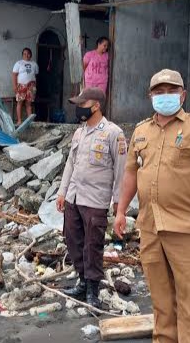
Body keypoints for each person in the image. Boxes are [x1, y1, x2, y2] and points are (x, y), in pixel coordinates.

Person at [113, 69, 190, 343]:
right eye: (159, 92)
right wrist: (121, 211)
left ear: (183, 95)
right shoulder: (142, 131)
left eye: (171, 91)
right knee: (161, 302)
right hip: (150, 227)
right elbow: (131, 174)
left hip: (184, 228)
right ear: (150, 96)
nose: (164, 96)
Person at [55, 87, 127, 307]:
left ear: (96, 105)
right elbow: (70, 163)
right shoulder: (79, 132)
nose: (79, 109)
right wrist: (62, 191)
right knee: (72, 240)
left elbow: (121, 171)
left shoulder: (114, 133)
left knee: (92, 245)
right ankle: (83, 281)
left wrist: (119, 204)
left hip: (95, 200)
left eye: (82, 104)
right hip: (74, 198)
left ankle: (93, 290)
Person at [12, 48, 39, 126]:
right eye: (24, 53)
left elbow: (35, 75)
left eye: (28, 53)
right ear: (22, 55)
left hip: (31, 86)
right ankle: (19, 121)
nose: (26, 55)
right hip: (21, 86)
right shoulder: (19, 63)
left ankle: (29, 122)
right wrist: (14, 86)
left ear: (31, 55)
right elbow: (14, 75)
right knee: (19, 103)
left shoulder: (34, 64)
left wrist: (33, 85)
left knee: (29, 104)